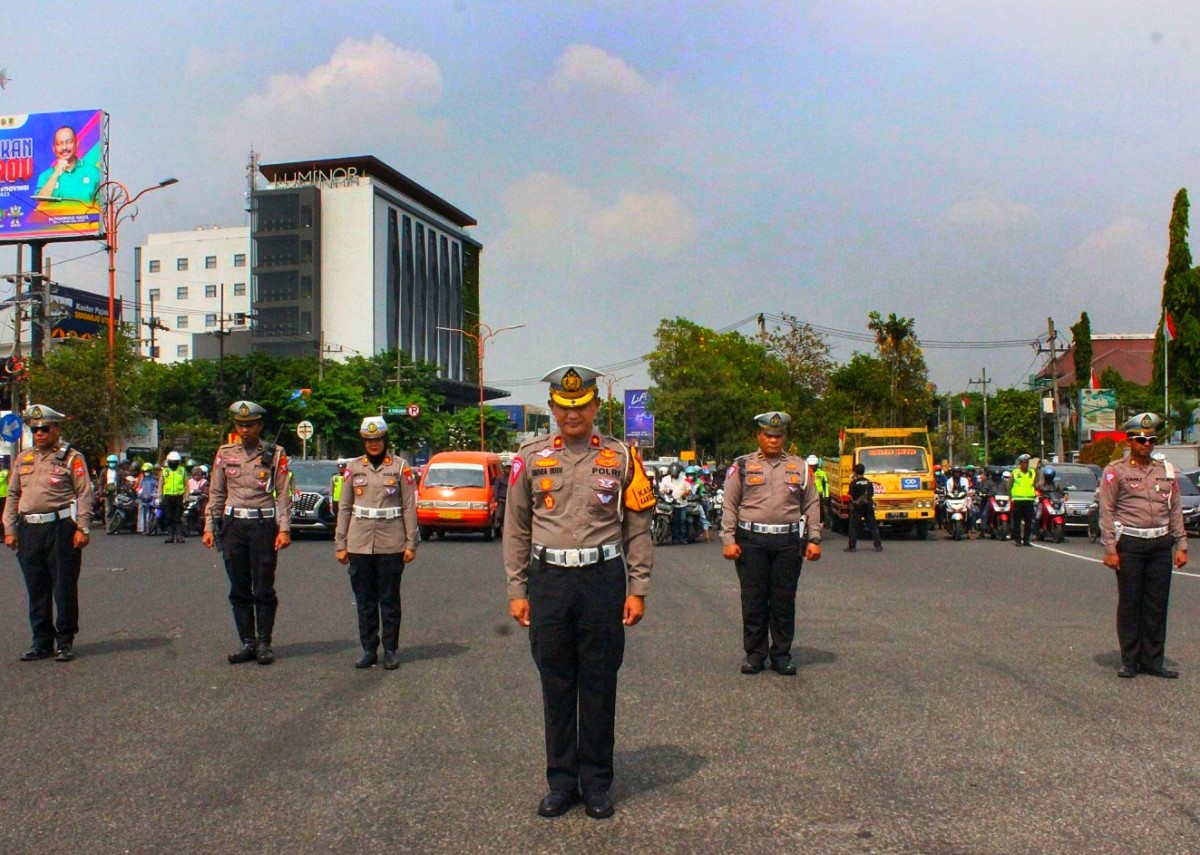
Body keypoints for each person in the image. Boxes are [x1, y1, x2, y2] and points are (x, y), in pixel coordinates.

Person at [504, 364, 655, 820]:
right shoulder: (530, 457)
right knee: (555, 681)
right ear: (552, 407)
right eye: (565, 407)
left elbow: (637, 527)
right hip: (549, 580)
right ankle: (561, 782)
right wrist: (517, 588)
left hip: (601, 580)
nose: (573, 414)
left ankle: (596, 783)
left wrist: (638, 587)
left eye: (582, 406)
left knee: (599, 681)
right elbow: (516, 527)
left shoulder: (621, 457)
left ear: (596, 406)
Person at [720, 411, 822, 677]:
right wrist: (728, 539)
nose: (773, 440)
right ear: (759, 436)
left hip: (787, 541)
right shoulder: (742, 465)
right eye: (768, 435)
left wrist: (814, 538)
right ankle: (755, 654)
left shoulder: (800, 467)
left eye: (778, 435)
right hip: (751, 540)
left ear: (784, 437)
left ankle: (781, 655)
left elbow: (811, 503)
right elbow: (730, 504)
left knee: (783, 600)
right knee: (753, 600)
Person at [1098, 413, 1188, 679]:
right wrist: (1110, 548)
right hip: (1131, 543)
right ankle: (1130, 660)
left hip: (1160, 543)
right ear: (1129, 441)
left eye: (1151, 440)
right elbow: (1107, 511)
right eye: (1140, 439)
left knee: (1156, 605)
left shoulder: (1165, 471)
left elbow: (1175, 509)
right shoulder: (1116, 471)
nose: (1146, 444)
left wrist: (1181, 544)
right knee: (1131, 602)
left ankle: (1153, 660)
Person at [203, 401, 292, 665]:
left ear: (260, 425)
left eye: (250, 425)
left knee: (263, 586)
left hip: (262, 525)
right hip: (233, 526)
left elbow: (283, 494)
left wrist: (284, 528)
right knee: (238, 586)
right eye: (241, 425)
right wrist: (209, 526)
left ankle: (264, 642)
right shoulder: (225, 453)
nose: (245, 429)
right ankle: (247, 642)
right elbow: (216, 493)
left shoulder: (275, 453)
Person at [3, 405, 94, 662]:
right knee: (36, 587)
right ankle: (41, 641)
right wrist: (9, 528)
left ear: (57, 429)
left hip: (61, 527)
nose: (39, 434)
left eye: (45, 428)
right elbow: (13, 495)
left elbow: (84, 493)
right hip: (29, 528)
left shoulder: (72, 457)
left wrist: (83, 527)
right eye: (35, 430)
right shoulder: (23, 458)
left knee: (63, 586)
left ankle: (65, 641)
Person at [334, 417, 418, 670]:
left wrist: (411, 542)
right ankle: (369, 649)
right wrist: (340, 543)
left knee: (389, 600)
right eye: (369, 440)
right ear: (363, 441)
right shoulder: (353, 467)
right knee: (364, 600)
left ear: (385, 439)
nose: (373, 444)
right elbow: (344, 506)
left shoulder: (400, 467)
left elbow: (409, 506)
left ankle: (390, 649)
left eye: (378, 439)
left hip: (391, 540)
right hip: (359, 541)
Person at [35, 126, 101, 204]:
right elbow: (41, 203)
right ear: (54, 148)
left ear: (77, 143)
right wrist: (56, 173)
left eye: (69, 142)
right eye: (59, 144)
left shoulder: (93, 172)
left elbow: (101, 207)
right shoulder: (45, 176)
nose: (64, 147)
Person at [845, 462, 882, 552]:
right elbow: (871, 494)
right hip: (868, 506)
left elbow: (850, 495)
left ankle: (852, 547)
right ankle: (878, 545)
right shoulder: (869, 482)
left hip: (857, 507)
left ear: (855, 472)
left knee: (853, 527)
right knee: (873, 526)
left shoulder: (853, 483)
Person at [658, 462, 692, 544]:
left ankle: (682, 538)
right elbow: (661, 490)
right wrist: (664, 491)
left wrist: (684, 494)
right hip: (669, 503)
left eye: (676, 475)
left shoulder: (685, 478)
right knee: (673, 521)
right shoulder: (665, 479)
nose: (674, 476)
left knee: (682, 520)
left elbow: (689, 489)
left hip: (682, 503)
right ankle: (673, 537)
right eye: (673, 475)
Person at [158, 450, 188, 543]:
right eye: (172, 461)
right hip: (168, 496)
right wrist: (159, 497)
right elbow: (161, 485)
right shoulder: (165, 471)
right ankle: (170, 535)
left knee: (178, 517)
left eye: (175, 462)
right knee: (168, 517)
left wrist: (186, 498)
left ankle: (179, 536)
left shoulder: (182, 471)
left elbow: (187, 485)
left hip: (179, 496)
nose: (173, 463)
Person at [1010, 453, 1037, 547]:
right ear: (1020, 463)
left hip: (1029, 499)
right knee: (1017, 521)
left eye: (1027, 462)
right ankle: (1018, 540)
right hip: (1018, 499)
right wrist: (1010, 497)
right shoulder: (1015, 472)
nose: (1026, 464)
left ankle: (1026, 540)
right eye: (1024, 462)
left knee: (1028, 522)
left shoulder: (1032, 472)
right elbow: (1009, 485)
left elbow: (1034, 484)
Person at [136, 462, 157, 534]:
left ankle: (151, 528)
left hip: (151, 499)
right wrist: (139, 494)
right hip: (142, 499)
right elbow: (139, 488)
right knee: (141, 514)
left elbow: (156, 489)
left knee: (151, 514)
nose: (146, 472)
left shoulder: (154, 480)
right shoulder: (142, 479)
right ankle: (141, 528)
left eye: (147, 471)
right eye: (144, 471)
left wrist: (153, 495)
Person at [811, 456, 830, 528]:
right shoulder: (806, 473)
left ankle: (825, 523)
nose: (812, 467)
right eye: (811, 465)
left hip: (820, 494)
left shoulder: (821, 473)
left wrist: (826, 496)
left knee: (823, 509)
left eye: (813, 465)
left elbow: (825, 485)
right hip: (809, 495)